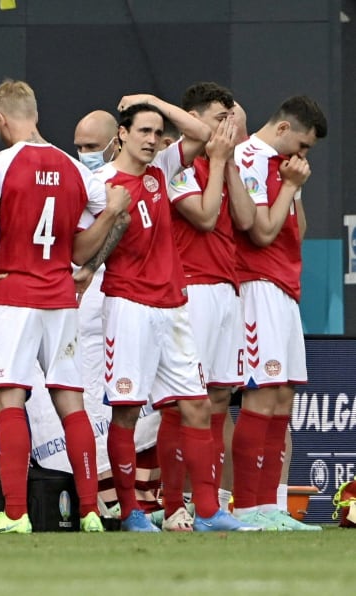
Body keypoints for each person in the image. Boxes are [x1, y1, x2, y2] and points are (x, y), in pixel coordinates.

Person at [0, 80, 128, 534]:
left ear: (0, 119)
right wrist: (108, 217)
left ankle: (16, 515)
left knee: (9, 397)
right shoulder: (75, 170)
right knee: (71, 401)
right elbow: (95, 234)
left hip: (14, 295)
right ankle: (90, 510)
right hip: (61, 297)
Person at [89, 95, 254, 532]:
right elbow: (78, 249)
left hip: (174, 307)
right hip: (128, 306)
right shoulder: (101, 183)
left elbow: (205, 135)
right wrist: (109, 217)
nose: (152, 140)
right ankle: (131, 513)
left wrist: (152, 101)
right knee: (126, 410)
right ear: (121, 134)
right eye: (142, 130)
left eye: (157, 133)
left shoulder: (163, 169)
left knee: (197, 408)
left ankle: (207, 510)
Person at [160, 83, 255, 530]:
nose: (228, 127)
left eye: (231, 118)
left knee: (218, 397)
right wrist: (217, 160)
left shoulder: (226, 164)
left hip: (227, 292)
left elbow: (248, 219)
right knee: (184, 402)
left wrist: (229, 163)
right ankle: (173, 503)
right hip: (191, 291)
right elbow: (203, 214)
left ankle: (210, 503)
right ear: (197, 118)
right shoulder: (177, 167)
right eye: (220, 118)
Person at [230, 95, 327, 531]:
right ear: (284, 130)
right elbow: (262, 232)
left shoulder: (283, 167)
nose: (303, 157)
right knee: (261, 394)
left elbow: (295, 232)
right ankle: (249, 508)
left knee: (283, 397)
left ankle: (273, 506)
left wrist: (295, 187)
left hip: (286, 287)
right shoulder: (250, 156)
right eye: (302, 146)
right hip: (256, 285)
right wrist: (288, 185)